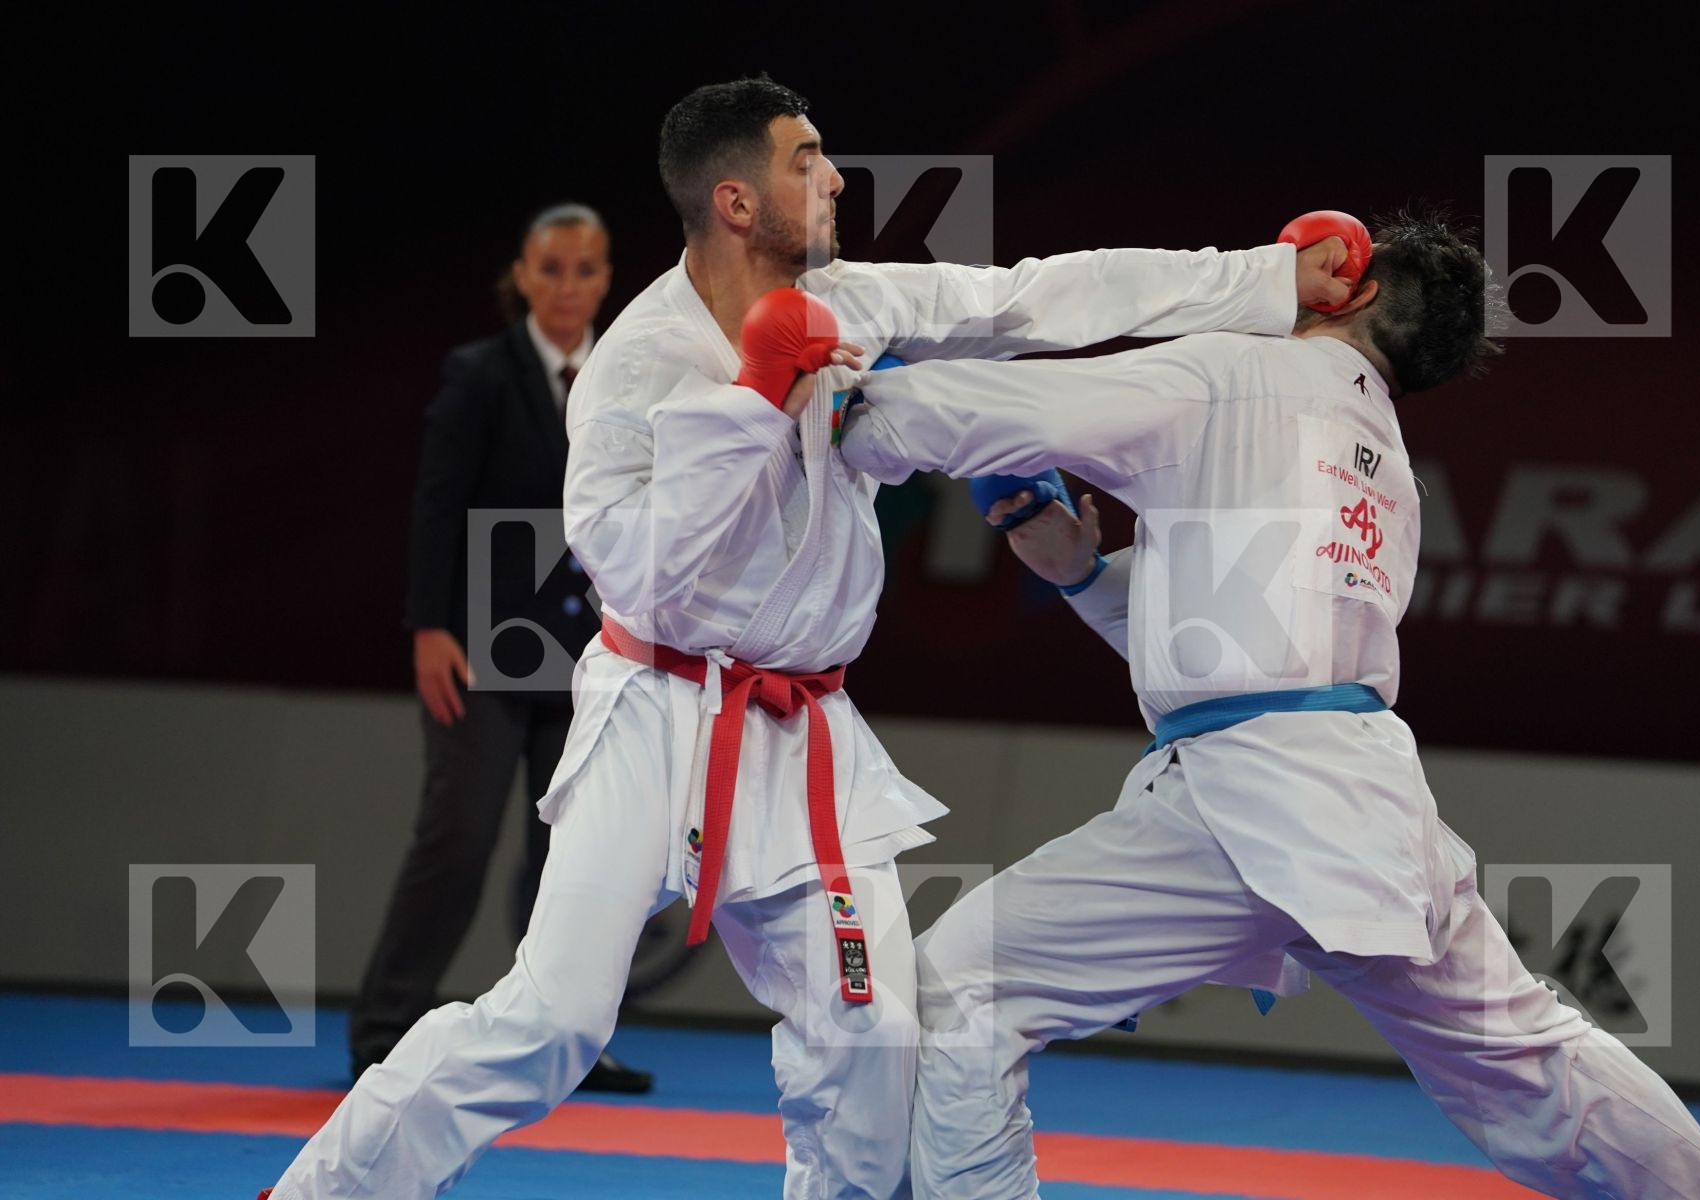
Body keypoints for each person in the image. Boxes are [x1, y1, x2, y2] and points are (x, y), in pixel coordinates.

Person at [261, 74, 1351, 1200]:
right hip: (658, 710)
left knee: (871, 1038)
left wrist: (1266, 278)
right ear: (736, 201)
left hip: (804, 727)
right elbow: (632, 570)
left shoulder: (851, 303)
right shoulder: (637, 365)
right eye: (807, 158)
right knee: (549, 1024)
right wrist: (750, 402)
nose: (835, 178)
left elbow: (1036, 297)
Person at [833, 209, 1700, 1199]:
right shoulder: (1384, 466)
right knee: (1536, 1066)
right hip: (1357, 804)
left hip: (1242, 803)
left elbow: (993, 413)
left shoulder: (1238, 373)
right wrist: (1080, 575)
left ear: (1357, 286)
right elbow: (1255, 651)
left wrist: (848, 392)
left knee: (958, 991)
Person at [353, 202, 650, 1094]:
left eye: (586, 270)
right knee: (459, 836)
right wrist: (429, 629)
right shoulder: (479, 374)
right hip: (481, 647)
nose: (567, 287)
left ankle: (567, 1040)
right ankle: (383, 1030)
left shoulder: (632, 377)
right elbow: (436, 504)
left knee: (577, 854)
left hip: (596, 647)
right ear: (521, 275)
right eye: (551, 268)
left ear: (606, 279)